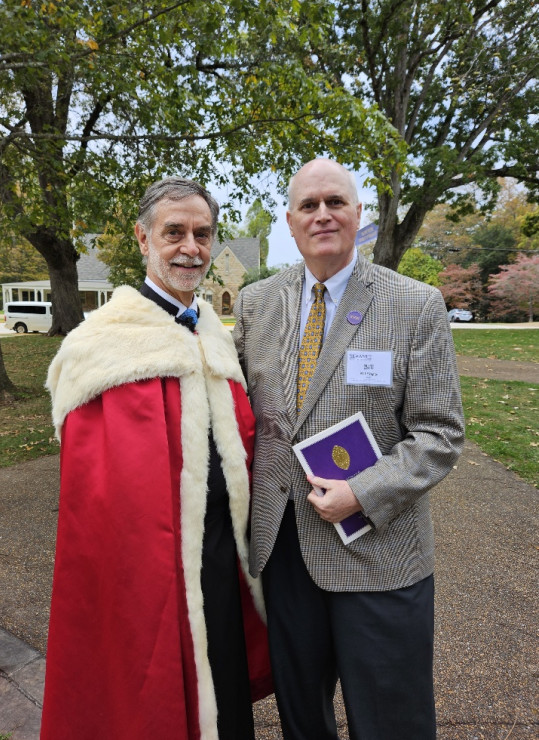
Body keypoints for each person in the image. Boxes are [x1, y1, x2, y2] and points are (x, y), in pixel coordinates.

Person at [233, 158, 465, 740]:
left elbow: (440, 434)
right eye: (308, 206)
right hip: (285, 549)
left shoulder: (414, 304)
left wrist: (362, 492)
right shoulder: (257, 304)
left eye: (335, 202)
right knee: (302, 719)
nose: (322, 215)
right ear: (290, 222)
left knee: (391, 720)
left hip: (378, 554)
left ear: (358, 213)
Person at [41, 177, 271, 740]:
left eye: (202, 234)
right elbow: (95, 495)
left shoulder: (217, 337)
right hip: (147, 576)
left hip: (221, 561)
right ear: (143, 240)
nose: (190, 246)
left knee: (226, 702)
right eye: (174, 233)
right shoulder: (103, 347)